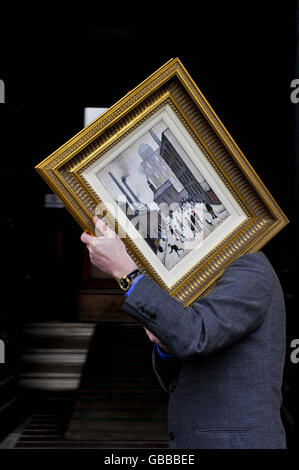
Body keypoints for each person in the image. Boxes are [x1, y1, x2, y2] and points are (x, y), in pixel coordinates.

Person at [81, 216, 286, 449]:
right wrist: (166, 347)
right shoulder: (203, 277)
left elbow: (196, 337)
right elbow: (174, 380)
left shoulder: (250, 267)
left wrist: (125, 272)